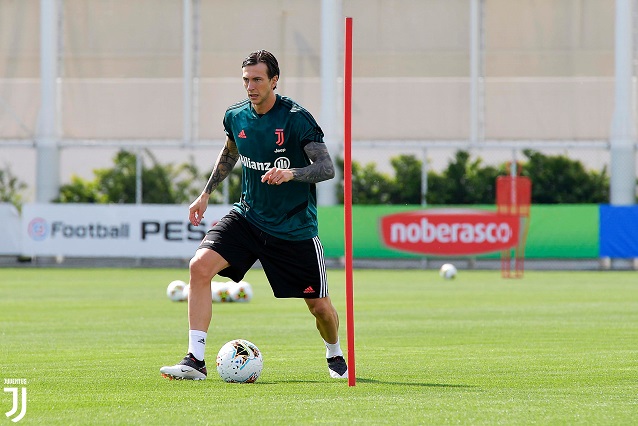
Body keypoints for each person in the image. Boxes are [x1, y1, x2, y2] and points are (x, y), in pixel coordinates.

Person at [160, 50, 347, 380]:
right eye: (246, 80)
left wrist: (292, 174)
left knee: (320, 308)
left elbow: (326, 168)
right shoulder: (236, 116)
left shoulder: (296, 118)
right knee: (199, 267)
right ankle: (195, 360)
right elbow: (231, 152)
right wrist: (205, 194)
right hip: (247, 218)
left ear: (274, 81)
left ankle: (334, 353)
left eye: (258, 79)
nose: (251, 86)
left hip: (294, 229)